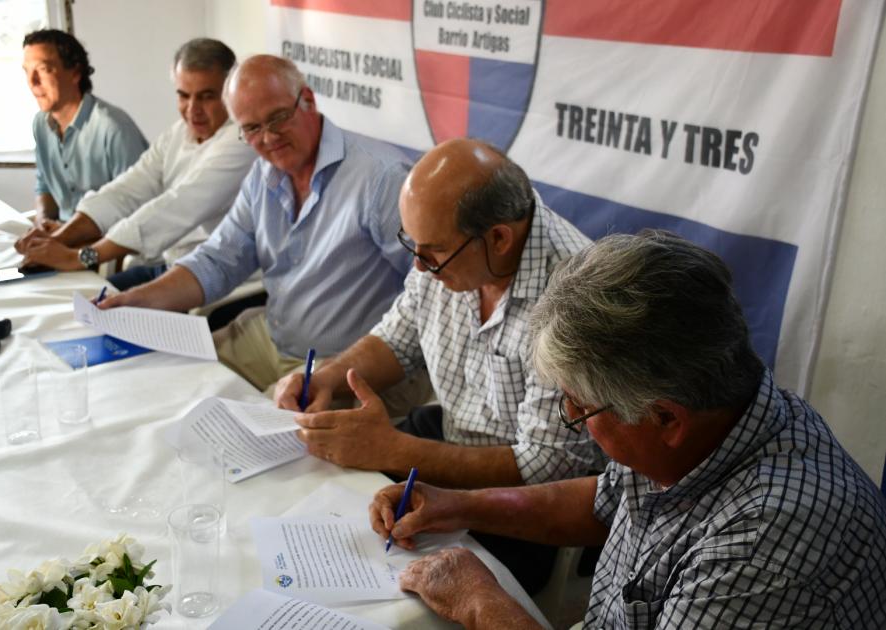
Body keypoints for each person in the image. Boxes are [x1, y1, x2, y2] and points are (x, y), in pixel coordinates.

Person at [369, 230, 886, 629]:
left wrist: (482, 602)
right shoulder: (709, 422)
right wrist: (459, 505)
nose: (576, 423)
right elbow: (605, 498)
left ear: (665, 419)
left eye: (580, 411)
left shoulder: (763, 544)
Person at [275, 138, 606, 594]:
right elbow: (399, 338)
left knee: (387, 590)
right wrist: (327, 376)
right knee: (313, 511)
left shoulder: (574, 298)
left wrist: (390, 450)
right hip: (447, 436)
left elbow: (546, 466)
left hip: (519, 507)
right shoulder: (448, 249)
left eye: (430, 252)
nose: (418, 264)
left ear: (499, 237)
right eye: (412, 245)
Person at [96, 55, 414, 391]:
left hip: (345, 363)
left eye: (277, 118)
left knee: (229, 430)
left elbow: (428, 295)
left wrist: (346, 368)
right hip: (271, 339)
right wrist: (134, 301)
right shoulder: (264, 173)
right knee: (163, 381)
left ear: (307, 100)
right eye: (251, 128)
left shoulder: (382, 178)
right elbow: (218, 261)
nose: (268, 137)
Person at [15, 38, 254, 291]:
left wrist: (79, 257)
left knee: (93, 312)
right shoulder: (179, 132)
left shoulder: (242, 139)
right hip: (169, 266)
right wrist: (55, 241)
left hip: (212, 280)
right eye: (184, 96)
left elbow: (174, 207)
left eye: (207, 97)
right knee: (71, 301)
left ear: (231, 93)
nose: (193, 110)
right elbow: (126, 189)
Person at [21, 29, 146, 226]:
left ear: (75, 73)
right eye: (27, 71)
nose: (32, 82)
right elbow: (44, 186)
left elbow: (137, 209)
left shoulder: (114, 128)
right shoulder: (40, 124)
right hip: (62, 234)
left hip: (107, 242)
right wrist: (43, 221)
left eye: (43, 69)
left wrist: (68, 238)